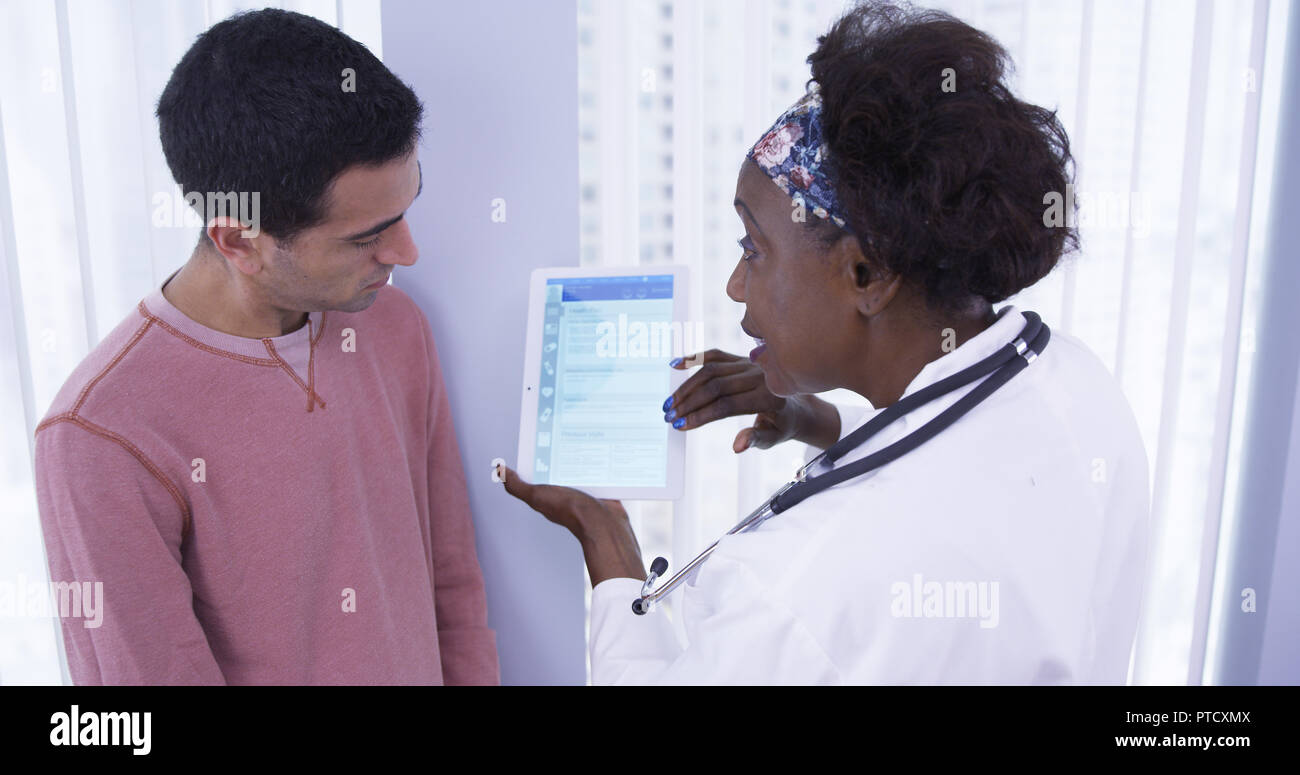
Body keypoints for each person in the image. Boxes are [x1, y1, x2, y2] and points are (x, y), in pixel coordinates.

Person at [500, 1, 1149, 684]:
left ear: (865, 274)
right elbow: (960, 461)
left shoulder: (798, 590)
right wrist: (822, 420)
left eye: (753, 248)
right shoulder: (1077, 384)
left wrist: (608, 547)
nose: (733, 285)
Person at [33, 9, 498, 684]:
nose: (407, 252)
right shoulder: (98, 437)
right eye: (367, 236)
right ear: (240, 240)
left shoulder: (396, 328)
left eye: (407, 205)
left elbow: (452, 588)